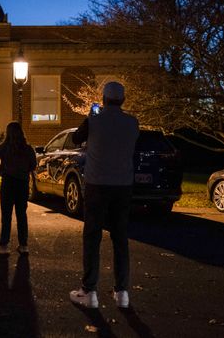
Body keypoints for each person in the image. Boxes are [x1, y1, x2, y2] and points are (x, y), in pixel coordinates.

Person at [69, 81, 139, 309]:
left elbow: (76, 139)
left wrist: (91, 116)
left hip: (97, 184)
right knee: (120, 238)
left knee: (92, 237)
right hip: (123, 185)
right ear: (123, 100)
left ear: (104, 99)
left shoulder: (94, 120)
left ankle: (89, 290)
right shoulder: (132, 123)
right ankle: (122, 292)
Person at [0, 121, 37, 255]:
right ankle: (23, 244)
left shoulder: (5, 147)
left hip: (8, 183)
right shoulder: (28, 148)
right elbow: (33, 165)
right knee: (21, 214)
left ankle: (4, 245)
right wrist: (24, 170)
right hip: (22, 184)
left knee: (6, 215)